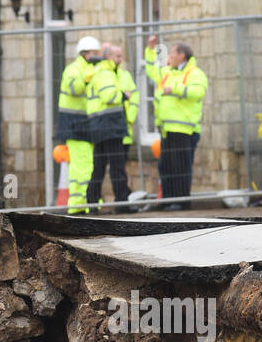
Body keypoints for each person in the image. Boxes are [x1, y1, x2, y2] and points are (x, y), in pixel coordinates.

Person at [143, 36, 208, 208]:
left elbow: (198, 92)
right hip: (166, 128)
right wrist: (150, 50)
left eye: (173, 52)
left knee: (181, 167)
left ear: (182, 55)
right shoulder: (168, 72)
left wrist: (175, 89)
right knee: (166, 166)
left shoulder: (195, 73)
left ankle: (181, 202)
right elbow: (152, 71)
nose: (169, 56)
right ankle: (168, 200)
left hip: (184, 128)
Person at [86, 44, 137, 210]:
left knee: (99, 167)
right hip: (110, 126)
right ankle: (122, 202)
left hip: (102, 126)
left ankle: (92, 203)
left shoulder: (102, 72)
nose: (120, 59)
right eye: (117, 56)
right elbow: (108, 96)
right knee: (117, 166)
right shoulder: (105, 73)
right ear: (108, 57)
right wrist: (124, 94)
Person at [58, 35, 101, 213]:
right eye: (94, 53)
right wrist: (88, 77)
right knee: (83, 164)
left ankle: (79, 203)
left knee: (83, 164)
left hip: (86, 123)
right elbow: (74, 88)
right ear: (84, 53)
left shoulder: (90, 68)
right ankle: (87, 202)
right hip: (74, 124)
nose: (97, 56)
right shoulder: (74, 69)